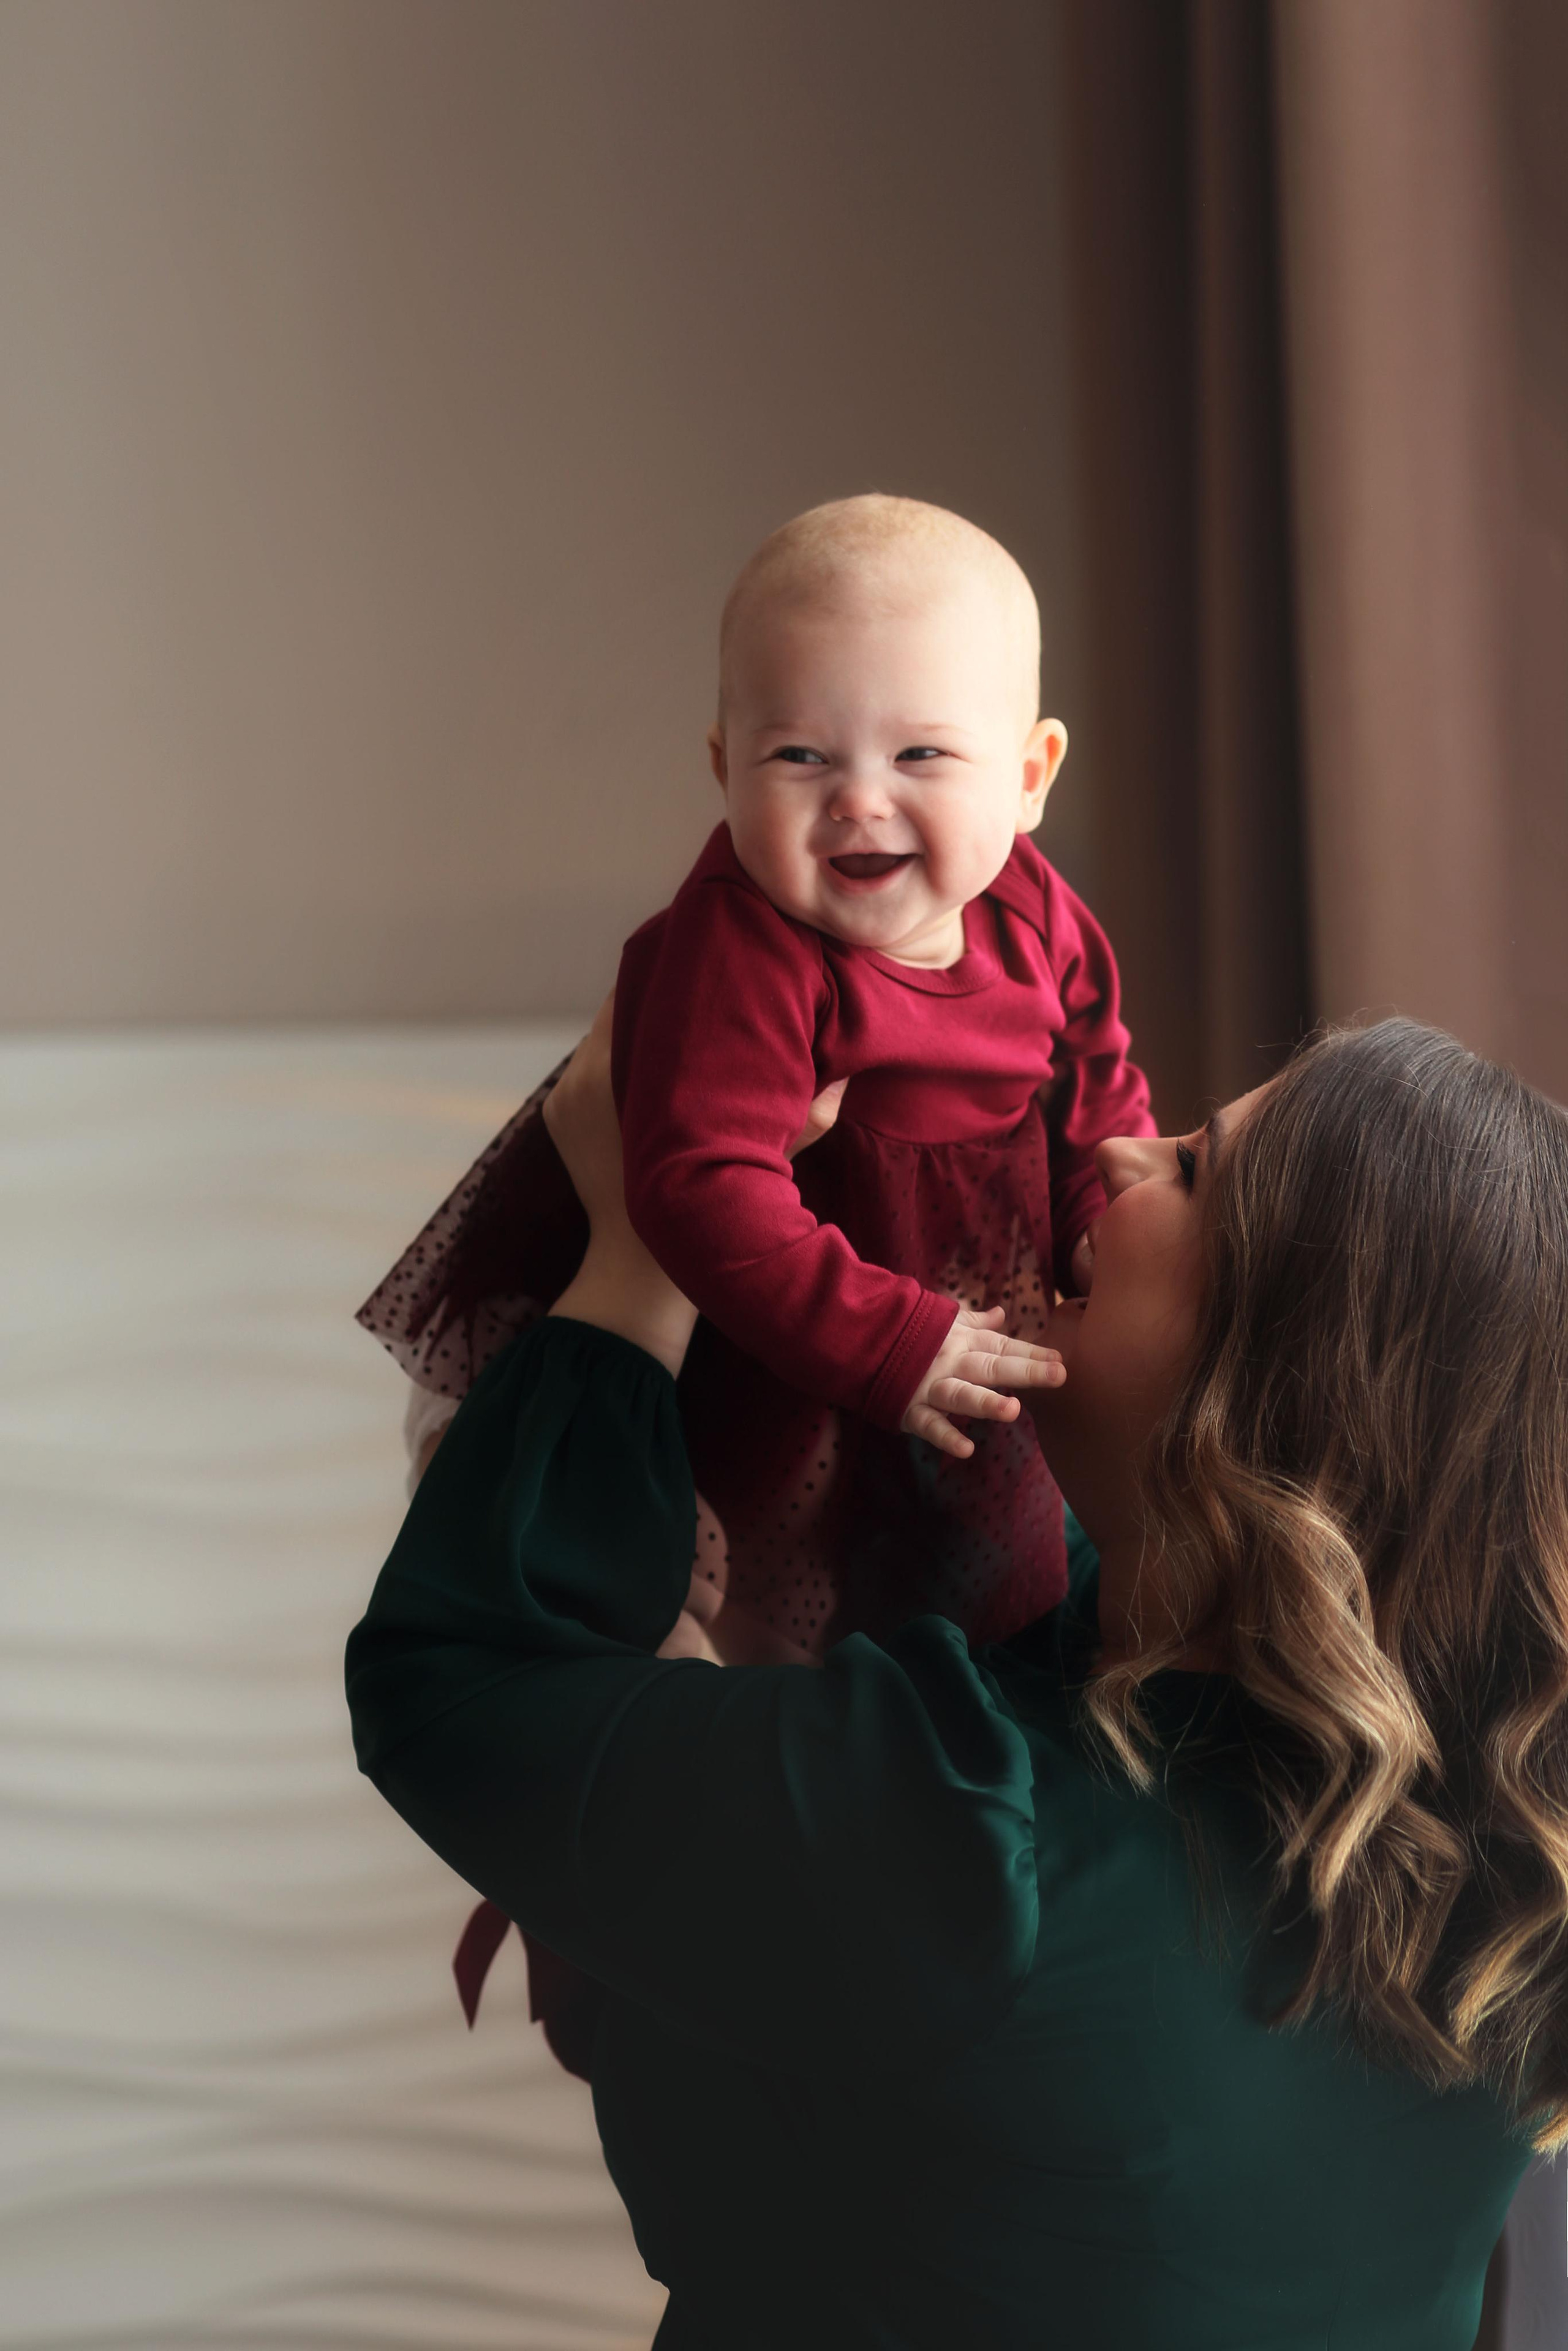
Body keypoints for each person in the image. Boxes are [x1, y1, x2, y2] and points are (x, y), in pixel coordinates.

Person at [347, 1009, 1568, 2347]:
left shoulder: (979, 1842)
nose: (1118, 1148)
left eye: (1196, 1170)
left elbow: (457, 1685)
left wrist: (647, 1240)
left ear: (1290, 1378)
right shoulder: (1507, 1882)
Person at [358, 494, 1152, 1672]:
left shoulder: (1037, 910)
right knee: (750, 1580)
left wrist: (1106, 1225)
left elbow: (1098, 1081)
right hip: (769, 1305)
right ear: (727, 768)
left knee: (982, 1561)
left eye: (922, 752)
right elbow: (698, 1186)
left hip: (950, 1280)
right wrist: (890, 1343)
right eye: (800, 756)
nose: (861, 799)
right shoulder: (749, 947)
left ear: (1030, 773)